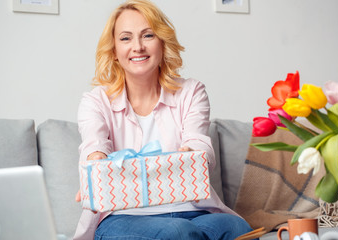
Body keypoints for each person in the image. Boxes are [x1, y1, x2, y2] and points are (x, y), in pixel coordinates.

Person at [74, 0, 255, 239]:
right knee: (180, 232)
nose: (137, 47)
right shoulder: (96, 101)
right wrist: (95, 168)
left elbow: (198, 145)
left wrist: (191, 153)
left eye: (147, 35)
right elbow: (94, 146)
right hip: (123, 217)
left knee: (238, 228)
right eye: (126, 38)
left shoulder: (191, 92)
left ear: (162, 42)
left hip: (190, 211)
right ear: (115, 51)